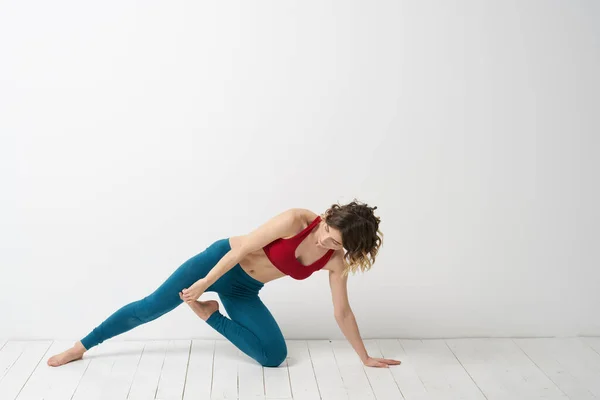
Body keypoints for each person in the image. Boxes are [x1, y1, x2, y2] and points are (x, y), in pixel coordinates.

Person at [47, 200, 401, 369]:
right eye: (327, 232)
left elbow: (342, 312)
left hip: (244, 291)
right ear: (324, 219)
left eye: (336, 243)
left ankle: (209, 315)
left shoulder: (336, 263)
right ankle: (82, 345)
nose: (326, 243)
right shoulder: (296, 220)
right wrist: (204, 281)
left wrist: (364, 356)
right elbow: (244, 248)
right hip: (219, 262)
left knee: (274, 357)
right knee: (150, 307)